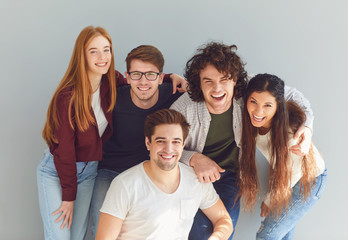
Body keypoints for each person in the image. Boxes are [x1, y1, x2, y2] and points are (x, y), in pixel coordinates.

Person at [37, 26, 185, 240]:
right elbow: (65, 150)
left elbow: (142, 81)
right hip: (58, 168)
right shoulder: (68, 96)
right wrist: (68, 198)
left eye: (106, 50)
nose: (102, 57)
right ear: (82, 55)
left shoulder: (112, 81)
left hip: (89, 171)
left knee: (78, 235)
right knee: (60, 237)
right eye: (94, 51)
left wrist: (171, 77)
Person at [171, 42, 315, 240]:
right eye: (208, 81)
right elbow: (163, 147)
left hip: (230, 177)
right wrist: (194, 158)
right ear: (199, 82)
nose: (217, 89)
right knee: (198, 234)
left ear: (235, 80)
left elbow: (293, 96)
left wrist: (307, 126)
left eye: (224, 79)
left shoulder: (247, 95)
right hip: (193, 177)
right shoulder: (184, 107)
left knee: (222, 233)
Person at [90, 45, 186, 237]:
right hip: (109, 170)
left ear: (161, 77)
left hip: (148, 173)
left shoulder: (174, 96)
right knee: (99, 228)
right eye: (136, 74)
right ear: (127, 77)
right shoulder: (113, 98)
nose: (143, 81)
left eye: (150, 75)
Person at [95, 109, 233, 240]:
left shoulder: (196, 180)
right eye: (161, 141)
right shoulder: (124, 185)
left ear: (183, 144)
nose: (168, 149)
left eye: (175, 142)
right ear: (148, 143)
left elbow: (223, 220)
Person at [238, 73, 327, 240]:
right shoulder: (248, 121)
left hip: (309, 179)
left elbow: (292, 172)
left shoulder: (288, 134)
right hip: (285, 175)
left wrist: (270, 200)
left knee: (267, 235)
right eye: (253, 102)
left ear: (278, 106)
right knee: (282, 235)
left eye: (267, 105)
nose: (258, 111)